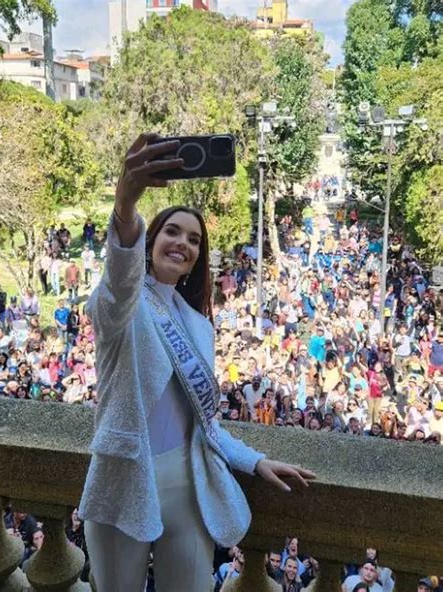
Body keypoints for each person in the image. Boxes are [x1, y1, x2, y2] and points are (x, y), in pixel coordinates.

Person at [78, 133, 315, 592]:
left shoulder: (199, 327)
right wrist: (125, 207)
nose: (182, 243)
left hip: (188, 486)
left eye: (194, 240)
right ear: (149, 241)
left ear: (195, 261)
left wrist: (254, 461)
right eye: (172, 231)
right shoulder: (118, 304)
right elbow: (120, 281)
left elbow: (202, 423)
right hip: (123, 479)